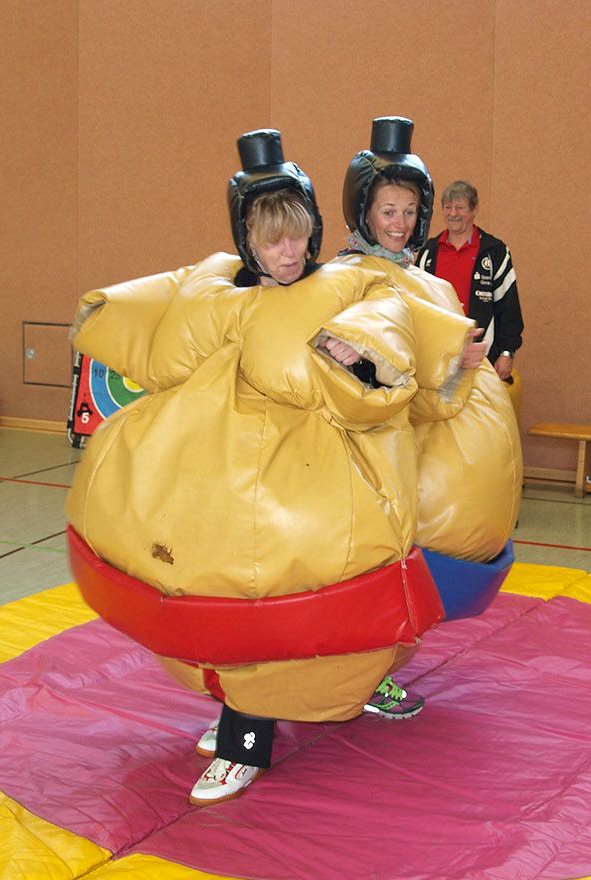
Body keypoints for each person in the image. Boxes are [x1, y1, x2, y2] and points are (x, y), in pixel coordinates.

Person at [67, 130, 467, 807]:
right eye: (272, 241)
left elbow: (389, 320)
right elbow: (161, 324)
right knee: (215, 582)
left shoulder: (343, 283)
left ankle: (245, 739)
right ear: (247, 240)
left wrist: (357, 351)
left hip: (312, 481)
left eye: (297, 238)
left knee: (279, 589)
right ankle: (240, 706)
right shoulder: (218, 288)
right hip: (221, 468)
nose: (288, 253)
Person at [336, 118, 522, 610]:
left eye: (409, 211)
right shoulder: (350, 278)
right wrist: (447, 365)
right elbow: (365, 386)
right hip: (389, 490)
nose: (399, 223)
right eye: (388, 211)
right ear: (364, 212)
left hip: (439, 508)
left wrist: (464, 361)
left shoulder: (423, 279)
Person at [416, 180, 524, 381]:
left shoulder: (495, 252)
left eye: (460, 207)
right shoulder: (428, 252)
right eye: (448, 207)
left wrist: (507, 352)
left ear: (474, 210)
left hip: (482, 359)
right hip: (436, 357)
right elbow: (415, 305)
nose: (453, 213)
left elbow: (509, 305)